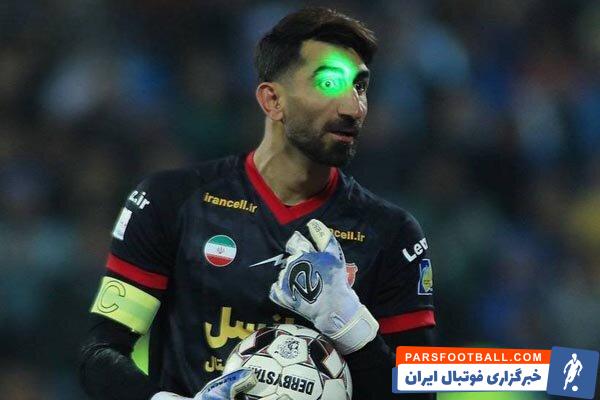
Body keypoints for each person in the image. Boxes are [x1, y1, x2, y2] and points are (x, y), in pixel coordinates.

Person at [79, 7, 436, 400]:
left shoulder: (392, 234)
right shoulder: (171, 202)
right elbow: (99, 354)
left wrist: (352, 328)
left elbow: (426, 389)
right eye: (330, 82)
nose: (353, 108)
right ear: (272, 101)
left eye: (361, 87)